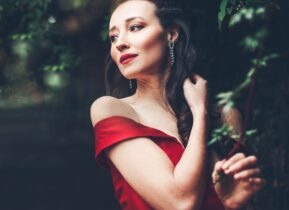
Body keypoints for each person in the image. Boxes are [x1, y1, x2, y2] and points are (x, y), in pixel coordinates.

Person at [90, 0, 265, 209]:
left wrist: (231, 205)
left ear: (171, 34)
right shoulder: (111, 110)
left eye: (135, 27)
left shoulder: (227, 115)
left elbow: (243, 198)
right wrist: (200, 113)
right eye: (113, 37)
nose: (120, 43)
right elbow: (180, 203)